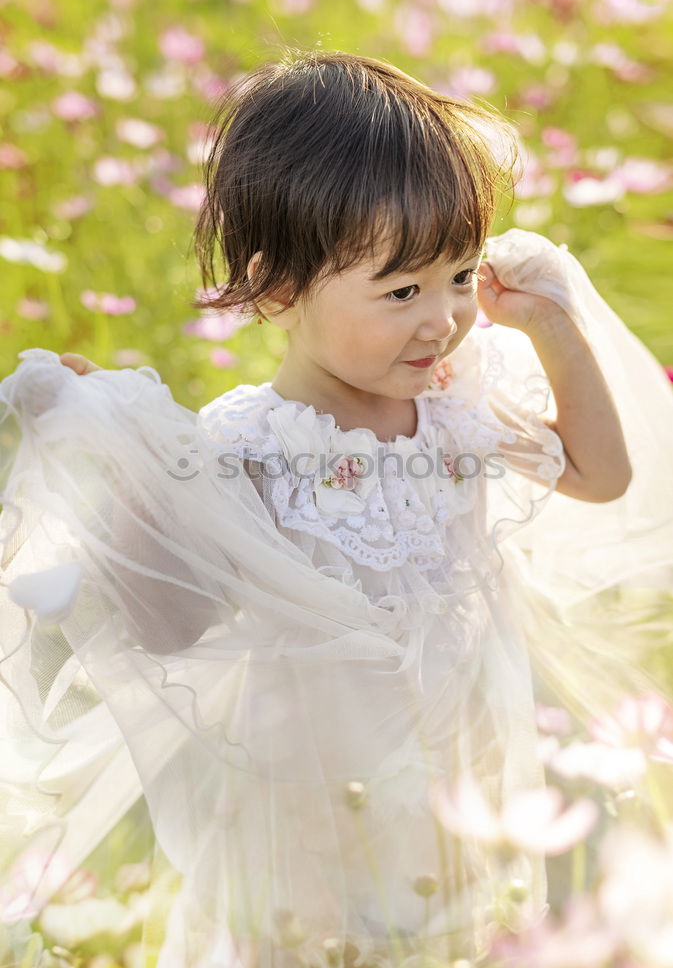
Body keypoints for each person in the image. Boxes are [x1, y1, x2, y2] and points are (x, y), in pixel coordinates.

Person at [1, 50, 673, 968]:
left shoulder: (458, 402)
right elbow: (172, 624)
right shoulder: (248, 446)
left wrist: (552, 325)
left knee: (468, 928)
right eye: (402, 291)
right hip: (321, 790)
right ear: (279, 290)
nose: (441, 318)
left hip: (465, 753)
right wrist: (121, 462)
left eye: (461, 276)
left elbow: (601, 475)